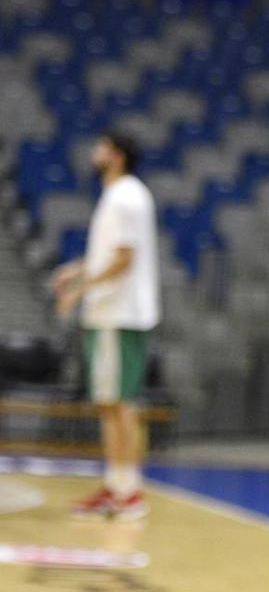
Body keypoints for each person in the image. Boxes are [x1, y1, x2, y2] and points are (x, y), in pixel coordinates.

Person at [53, 131, 161, 521]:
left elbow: (124, 260)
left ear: (116, 156)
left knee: (121, 405)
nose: (94, 153)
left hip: (120, 313)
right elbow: (108, 254)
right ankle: (116, 486)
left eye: (101, 147)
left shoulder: (127, 196)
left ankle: (129, 492)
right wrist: (77, 269)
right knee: (111, 404)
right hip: (110, 314)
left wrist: (80, 290)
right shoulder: (118, 194)